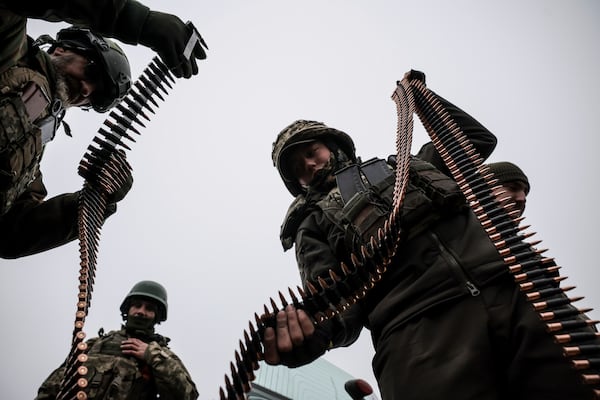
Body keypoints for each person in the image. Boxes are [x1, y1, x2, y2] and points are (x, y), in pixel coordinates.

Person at [263, 71, 599, 399]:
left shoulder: (410, 163)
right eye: (297, 167)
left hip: (517, 294)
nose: (309, 164)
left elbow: (477, 139)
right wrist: (312, 335)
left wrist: (424, 97)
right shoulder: (311, 224)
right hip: (417, 337)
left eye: (311, 152)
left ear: (333, 146)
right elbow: (337, 303)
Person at [0, 1, 208, 258]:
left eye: (96, 98)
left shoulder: (31, 159)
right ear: (62, 48)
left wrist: (94, 201)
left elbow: (11, 234)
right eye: (92, 72)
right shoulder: (9, 48)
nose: (87, 90)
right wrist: (137, 21)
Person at [35, 280, 199, 400]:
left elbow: (187, 395)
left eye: (149, 308)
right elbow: (54, 385)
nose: (141, 312)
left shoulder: (163, 355)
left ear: (157, 317)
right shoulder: (95, 344)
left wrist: (152, 355)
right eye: (137, 305)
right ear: (128, 309)